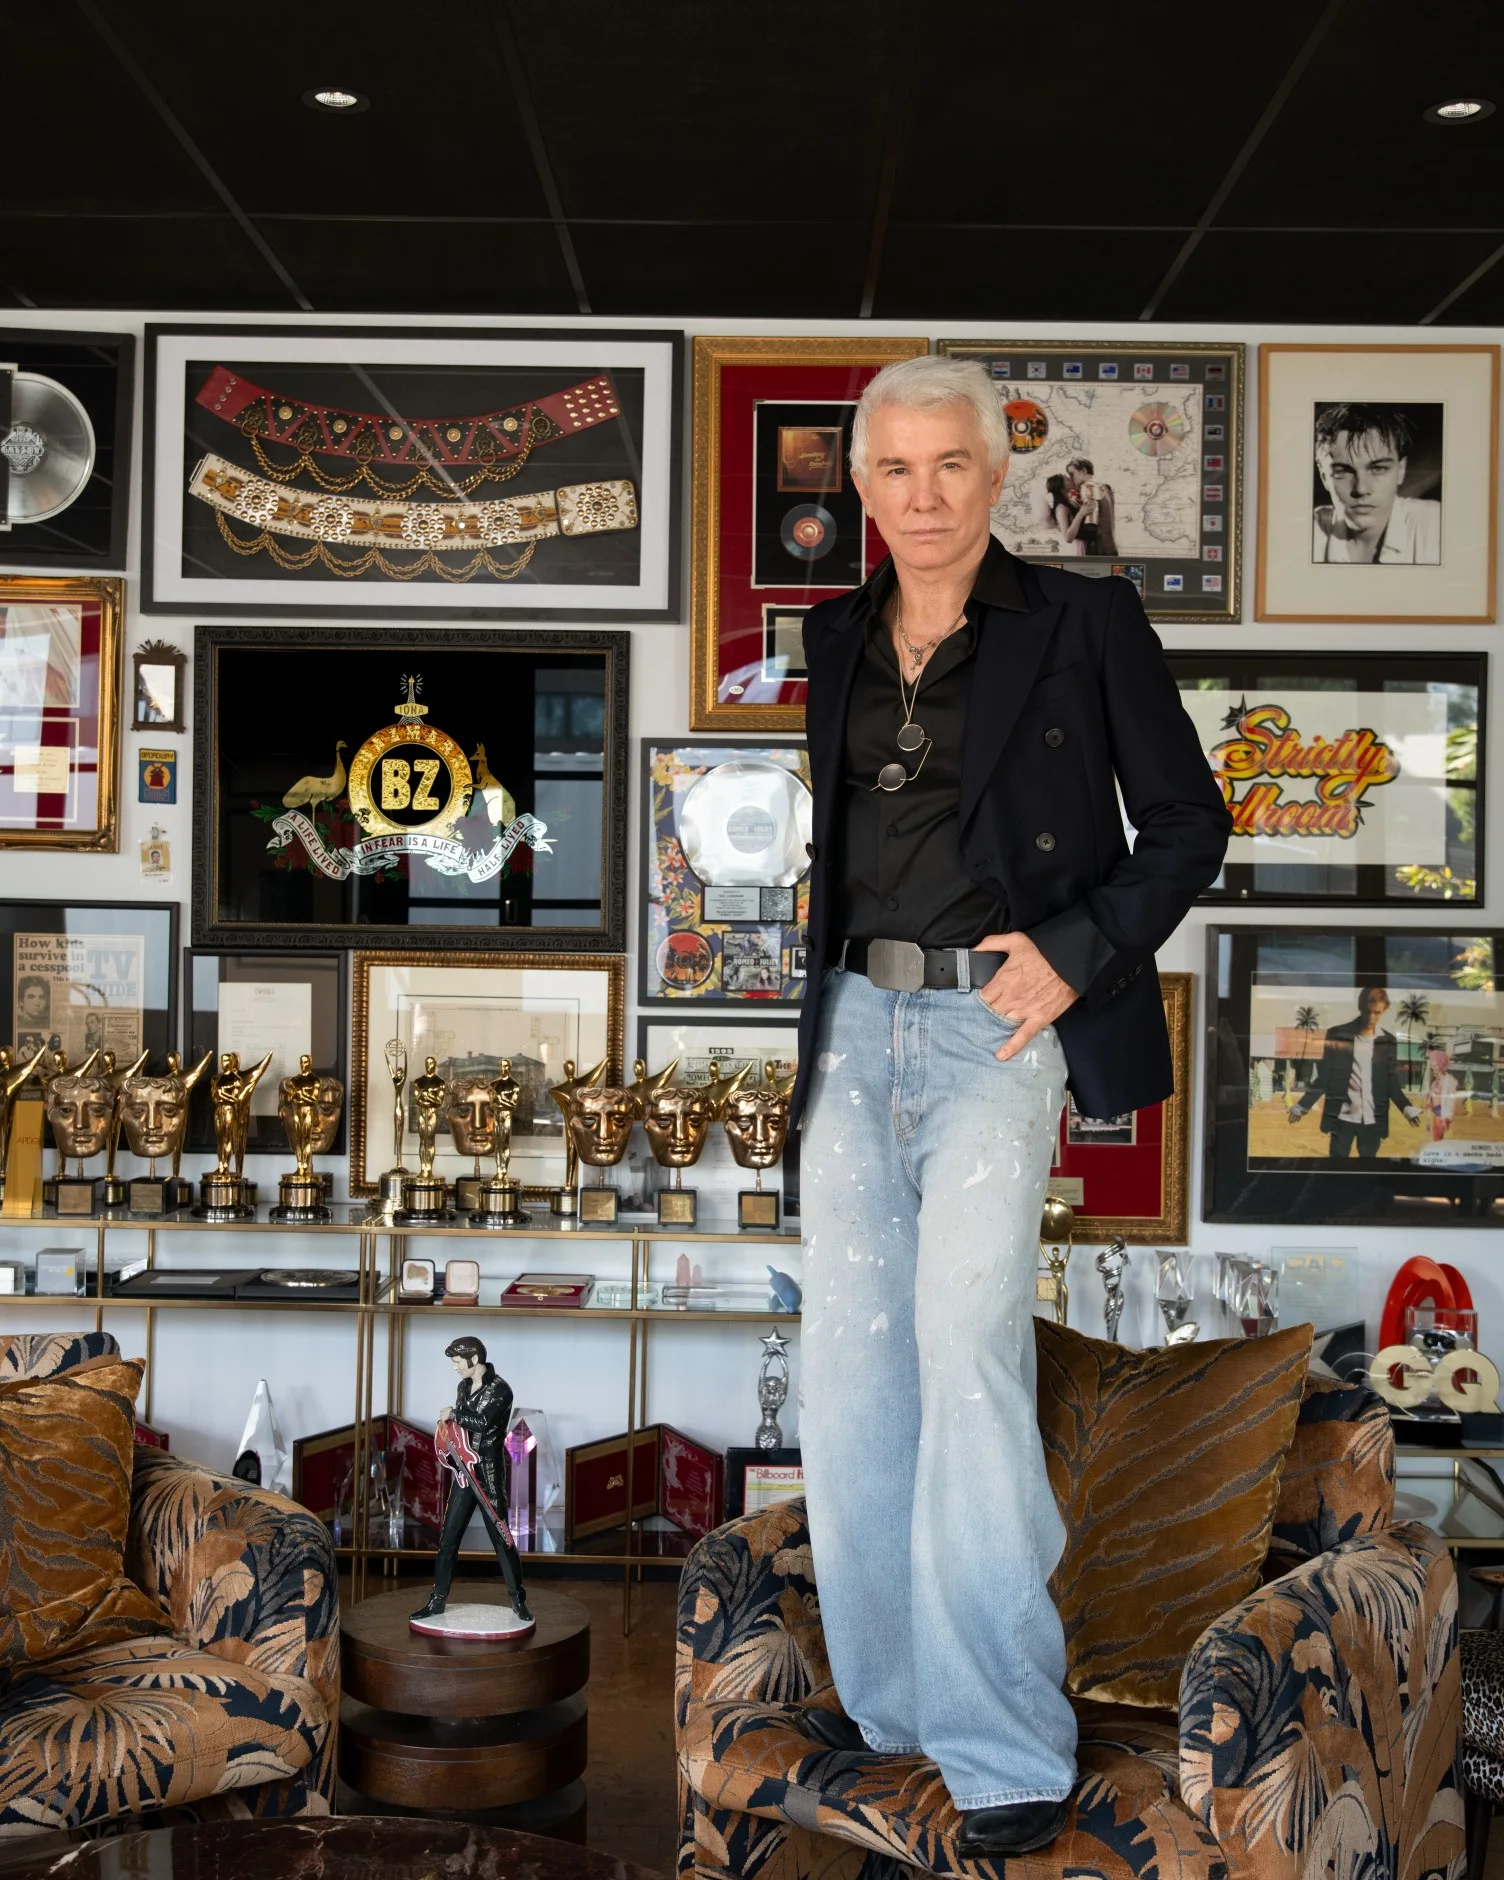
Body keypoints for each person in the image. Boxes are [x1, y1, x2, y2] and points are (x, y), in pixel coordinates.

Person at [792, 355, 1231, 1858]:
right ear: (863, 489)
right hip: (852, 1025)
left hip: (993, 1029)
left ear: (998, 475)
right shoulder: (836, 636)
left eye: (950, 468)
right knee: (850, 1374)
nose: (923, 498)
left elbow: (1189, 820)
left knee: (965, 1356)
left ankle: (997, 1742)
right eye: (895, 472)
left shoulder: (1083, 622)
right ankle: (896, 1704)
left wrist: (1079, 949)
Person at [411, 1335, 532, 1623]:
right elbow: (462, 1427)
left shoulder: (502, 1390)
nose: (454, 1367)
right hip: (464, 1470)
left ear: (474, 1359)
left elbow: (482, 1422)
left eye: (457, 1362)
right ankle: (437, 1601)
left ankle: (518, 1601)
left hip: (488, 1471)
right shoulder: (464, 1386)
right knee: (448, 1537)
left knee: (501, 1538)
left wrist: (454, 1413)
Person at [1286, 986, 1421, 1157]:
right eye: (1368, 1011)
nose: (1372, 1017)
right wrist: (1302, 1106)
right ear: (1360, 1007)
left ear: (1384, 1010)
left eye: (1377, 1013)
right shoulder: (1337, 1034)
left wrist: (1406, 1108)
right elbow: (1324, 1077)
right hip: (1342, 1119)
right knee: (1336, 1169)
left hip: (1372, 1121)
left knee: (1367, 1171)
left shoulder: (1388, 1041)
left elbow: (1390, 1080)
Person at [1312, 404, 1441, 564]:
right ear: (1324, 476)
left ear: (1401, 470)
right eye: (1343, 471)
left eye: (1378, 469)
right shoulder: (1306, 534)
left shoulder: (1438, 529)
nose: (1361, 489)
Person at [1066, 457, 1117, 555]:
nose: (1070, 478)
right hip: (1110, 547)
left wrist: (1068, 531)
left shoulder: (1088, 487)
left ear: (1084, 471)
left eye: (1072, 474)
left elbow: (1090, 528)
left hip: (1097, 550)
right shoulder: (1105, 488)